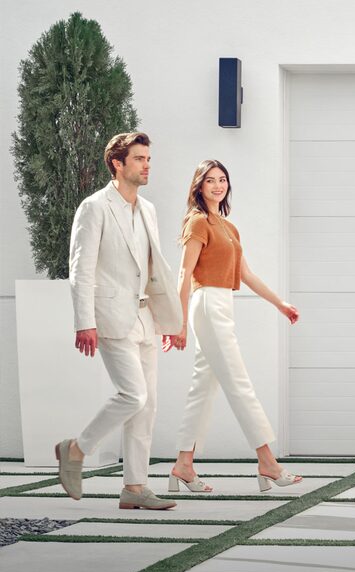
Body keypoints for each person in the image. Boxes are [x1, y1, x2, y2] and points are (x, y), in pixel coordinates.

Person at [58, 132, 183, 510]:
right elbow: (81, 269)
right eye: (140, 159)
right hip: (111, 316)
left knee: (147, 407)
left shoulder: (147, 209)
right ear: (118, 163)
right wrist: (84, 321)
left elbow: (152, 268)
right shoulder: (94, 207)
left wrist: (166, 319)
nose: (147, 166)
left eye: (148, 159)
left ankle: (134, 487)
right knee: (133, 395)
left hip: (145, 317)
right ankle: (76, 449)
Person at [167, 159, 302, 493]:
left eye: (222, 179)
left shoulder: (228, 227)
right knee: (239, 383)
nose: (217, 185)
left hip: (222, 304)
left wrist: (280, 304)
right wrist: (178, 321)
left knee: (204, 387)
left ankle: (183, 465)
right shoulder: (197, 222)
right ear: (198, 186)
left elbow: (247, 274)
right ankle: (267, 462)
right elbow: (184, 273)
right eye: (210, 180)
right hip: (206, 304)